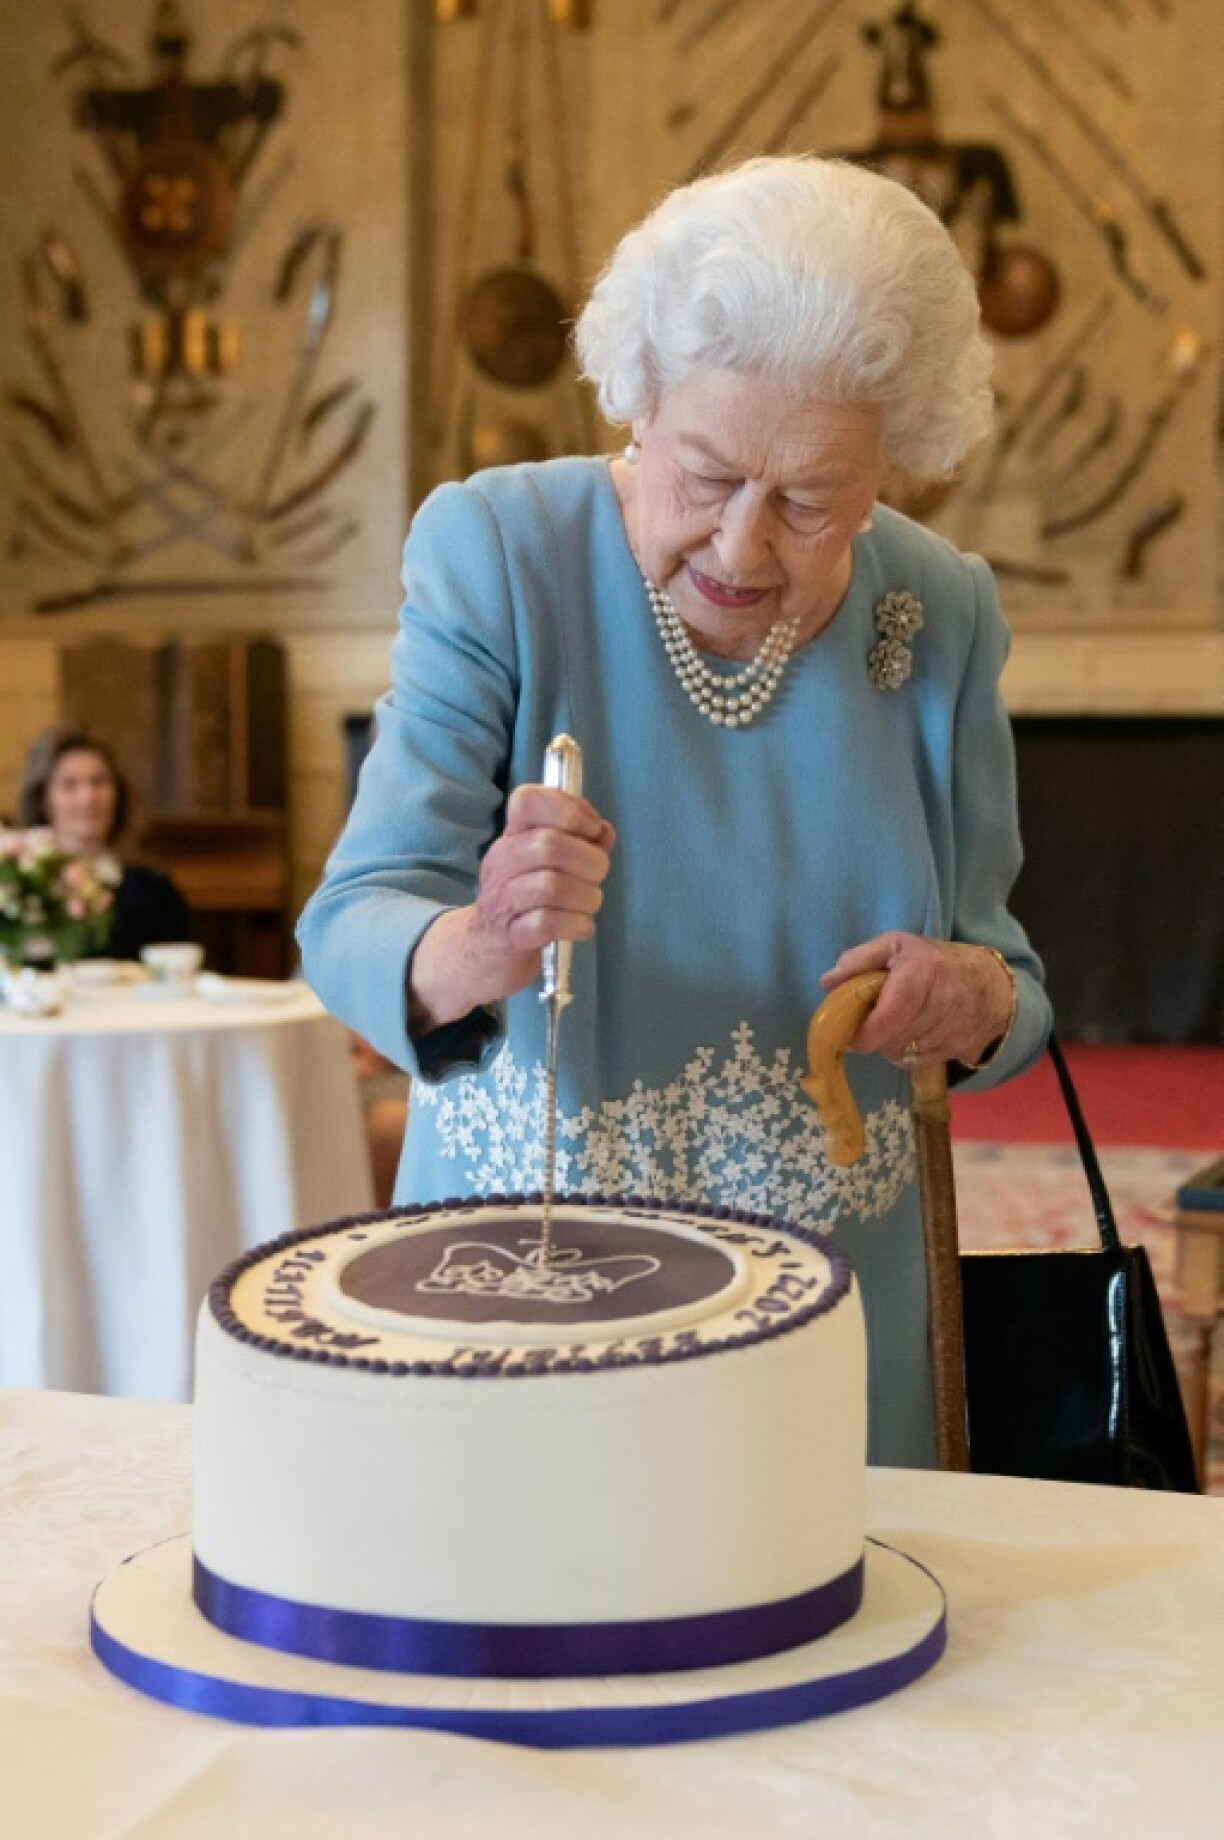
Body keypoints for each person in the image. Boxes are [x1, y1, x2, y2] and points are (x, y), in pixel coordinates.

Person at [298, 156, 1051, 1466]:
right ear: (639, 403)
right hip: (529, 1298)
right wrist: (481, 941)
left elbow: (1013, 981)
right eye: (706, 474)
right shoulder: (503, 551)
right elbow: (353, 920)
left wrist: (973, 997)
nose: (743, 547)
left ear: (892, 467)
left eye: (811, 500)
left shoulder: (942, 609)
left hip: (830, 1323)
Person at [17, 728, 191, 961]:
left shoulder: (153, 888)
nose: (88, 797)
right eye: (70, 785)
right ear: (44, 800)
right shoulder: (19, 886)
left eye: (99, 782)